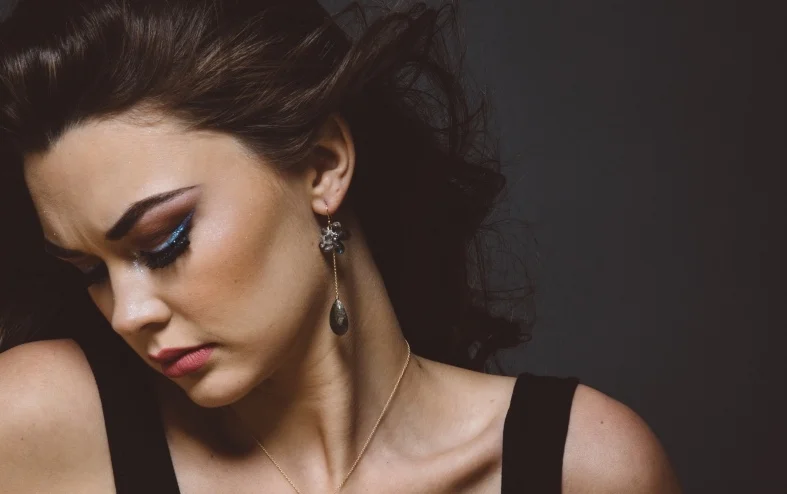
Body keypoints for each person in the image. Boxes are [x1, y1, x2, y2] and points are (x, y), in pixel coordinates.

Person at [0, 0, 681, 492]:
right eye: (91, 270)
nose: (127, 314)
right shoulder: (38, 425)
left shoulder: (580, 467)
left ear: (323, 165)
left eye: (163, 242)